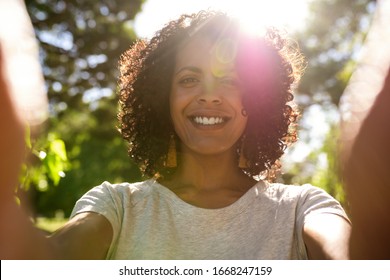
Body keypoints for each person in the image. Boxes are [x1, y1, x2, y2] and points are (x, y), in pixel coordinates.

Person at [0, 10, 351, 259]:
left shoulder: (302, 208)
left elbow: (356, 260)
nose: (209, 95)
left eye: (229, 80)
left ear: (256, 102)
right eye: (188, 79)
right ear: (162, 100)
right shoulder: (117, 207)